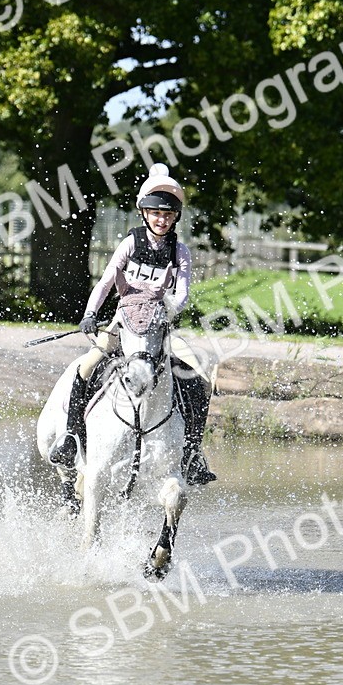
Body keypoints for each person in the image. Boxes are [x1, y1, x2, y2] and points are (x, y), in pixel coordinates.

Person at [49, 162, 217, 486]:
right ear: (144, 213)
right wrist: (89, 314)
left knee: (200, 379)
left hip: (160, 328)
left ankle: (193, 454)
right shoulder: (130, 244)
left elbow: (181, 293)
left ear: (175, 218)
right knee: (85, 367)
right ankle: (71, 438)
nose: (161, 219)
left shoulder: (179, 251)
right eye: (156, 214)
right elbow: (105, 282)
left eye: (168, 215)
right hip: (122, 324)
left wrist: (161, 310)